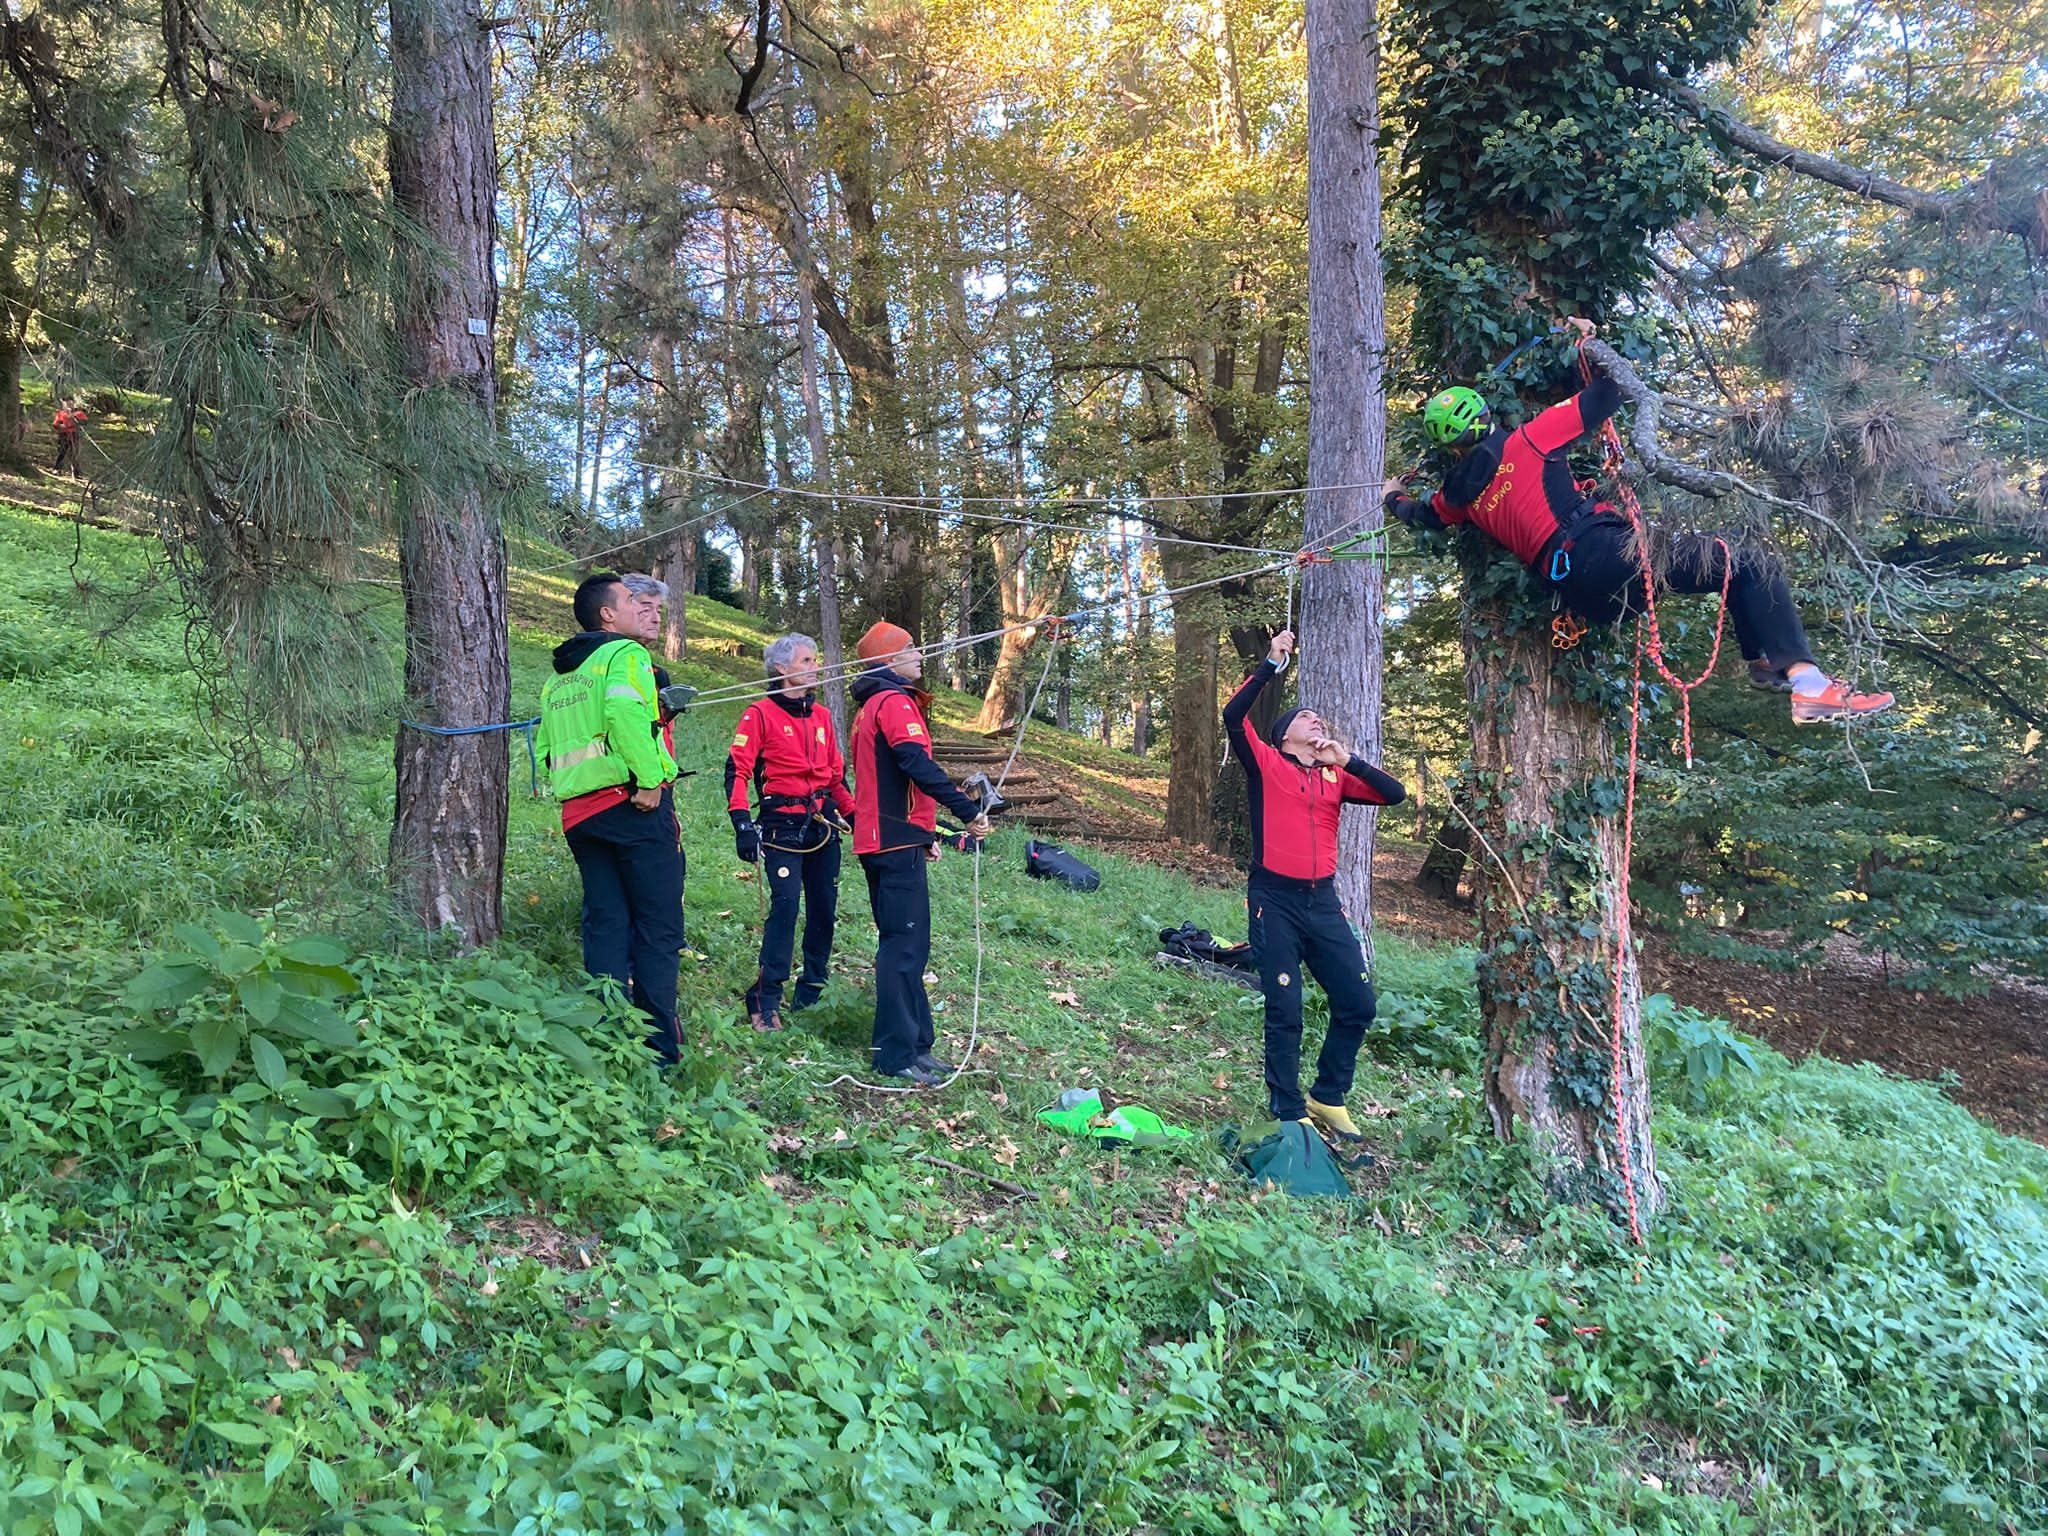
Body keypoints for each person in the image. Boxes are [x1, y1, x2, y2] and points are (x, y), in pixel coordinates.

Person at [1385, 317, 1894, 726]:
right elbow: (1612, 394)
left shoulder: (1459, 495)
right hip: (1602, 557)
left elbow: (1425, 515)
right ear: (1487, 417)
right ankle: (1805, 681)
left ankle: (1768, 663)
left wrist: (1393, 498)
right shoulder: (1529, 439)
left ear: (1451, 445)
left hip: (1583, 593)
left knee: (1732, 567)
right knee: (1750, 558)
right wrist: (1588, 341)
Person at [1223, 628, 1407, 1142]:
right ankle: (1286, 1106)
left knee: (1358, 1001)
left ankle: (1327, 1096)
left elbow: (1394, 794)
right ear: (1284, 735)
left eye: (1318, 719)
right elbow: (1233, 719)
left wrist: (1346, 760)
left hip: (1322, 902)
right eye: (1305, 717)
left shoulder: (1334, 777)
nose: (1315, 720)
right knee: (1285, 1003)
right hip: (1274, 899)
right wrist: (1269, 665)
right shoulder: (1265, 762)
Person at [534, 571, 685, 1064]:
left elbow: (545, 747)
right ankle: (659, 1048)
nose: (642, 609)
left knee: (605, 921)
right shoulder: (625, 655)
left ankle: (606, 1033)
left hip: (580, 816)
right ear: (607, 614)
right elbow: (622, 714)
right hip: (631, 807)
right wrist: (649, 780)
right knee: (658, 926)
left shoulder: (560, 676)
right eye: (630, 601)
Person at [848, 622, 992, 1087]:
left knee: (910, 945)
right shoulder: (892, 702)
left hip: (895, 837)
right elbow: (914, 762)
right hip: (889, 841)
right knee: (903, 948)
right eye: (909, 648)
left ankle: (917, 1047)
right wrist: (966, 811)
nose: (919, 654)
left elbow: (891, 780)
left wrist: (924, 830)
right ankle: (894, 1056)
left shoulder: (879, 702)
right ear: (887, 660)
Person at [725, 633, 856, 1033]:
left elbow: (836, 778)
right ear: (781, 669)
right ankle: (765, 998)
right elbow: (737, 769)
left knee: (823, 909)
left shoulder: (820, 718)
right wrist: (742, 823)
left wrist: (857, 817)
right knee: (784, 909)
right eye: (806, 661)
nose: (815, 667)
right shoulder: (759, 713)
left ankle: (812, 992)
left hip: (822, 824)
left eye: (815, 659)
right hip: (781, 825)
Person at [618, 572, 693, 952]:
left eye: (658, 610)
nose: (655, 617)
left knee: (670, 866)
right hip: (629, 787)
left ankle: (668, 943)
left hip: (661, 783)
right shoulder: (610, 665)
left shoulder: (656, 673)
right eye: (645, 608)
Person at [52, 400, 86, 476]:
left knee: (74, 453)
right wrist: (62, 426)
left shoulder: (79, 413)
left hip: (74, 435)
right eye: (66, 404)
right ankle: (57, 468)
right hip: (64, 435)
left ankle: (76, 472)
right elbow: (55, 425)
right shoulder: (60, 414)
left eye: (70, 404)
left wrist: (75, 419)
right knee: (62, 452)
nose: (68, 405)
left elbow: (84, 422)